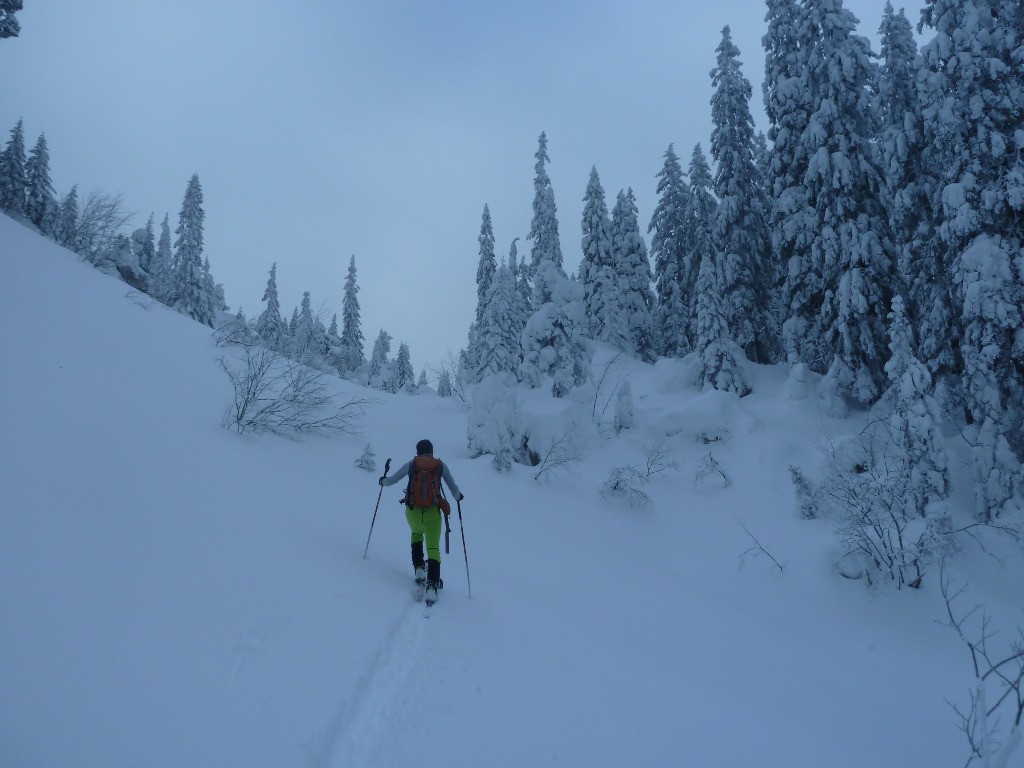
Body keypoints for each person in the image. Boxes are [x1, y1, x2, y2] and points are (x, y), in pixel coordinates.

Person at [379, 439, 463, 604]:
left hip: (413, 512)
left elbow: (391, 481)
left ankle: (418, 569)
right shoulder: (440, 466)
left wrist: (382, 480)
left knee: (416, 534)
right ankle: (432, 587)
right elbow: (454, 490)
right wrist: (459, 497)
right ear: (431, 451)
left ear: (418, 451)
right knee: (433, 548)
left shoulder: (411, 464)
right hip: (432, 513)